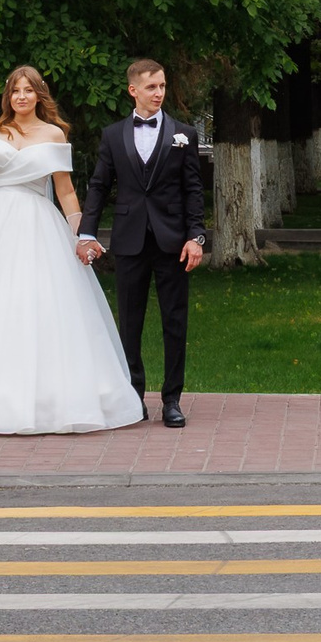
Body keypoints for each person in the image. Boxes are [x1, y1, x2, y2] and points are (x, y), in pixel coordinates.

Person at [0, 67, 144, 435]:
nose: (21, 96)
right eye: (14, 91)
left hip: (39, 222)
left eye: (28, 90)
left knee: (41, 302)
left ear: (40, 95)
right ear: (8, 97)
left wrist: (82, 235)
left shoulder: (53, 134)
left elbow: (66, 191)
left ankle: (49, 397)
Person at [77, 58, 206, 428]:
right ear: (133, 90)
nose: (159, 93)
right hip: (129, 240)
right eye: (151, 87)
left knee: (174, 321)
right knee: (129, 323)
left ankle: (172, 399)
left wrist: (196, 237)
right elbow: (99, 186)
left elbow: (193, 189)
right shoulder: (113, 135)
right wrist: (87, 233)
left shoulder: (184, 133)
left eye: (162, 86)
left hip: (173, 242)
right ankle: (133, 396)